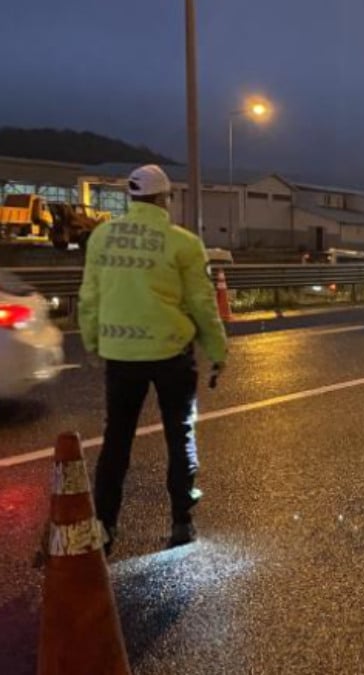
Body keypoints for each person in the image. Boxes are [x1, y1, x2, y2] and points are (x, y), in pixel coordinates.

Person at [79, 164, 228, 552]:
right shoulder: (182, 242)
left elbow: (90, 297)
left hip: (121, 355)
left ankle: (105, 525)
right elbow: (202, 303)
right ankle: (182, 520)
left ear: (131, 198)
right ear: (165, 199)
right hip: (170, 354)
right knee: (180, 436)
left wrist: (93, 342)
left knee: (117, 441)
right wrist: (217, 350)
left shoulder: (102, 237)